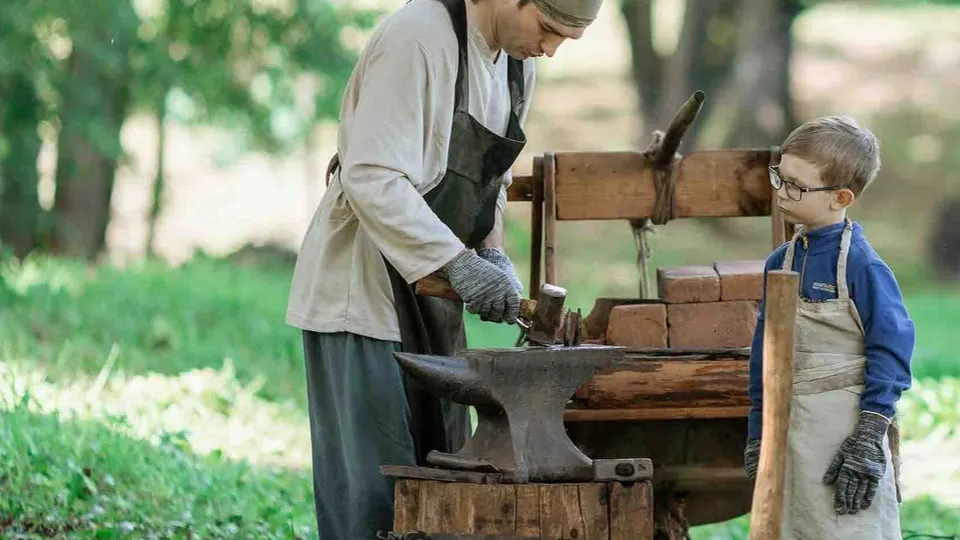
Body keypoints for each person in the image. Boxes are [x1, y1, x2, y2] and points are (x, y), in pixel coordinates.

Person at [284, 0, 603, 537]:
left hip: (436, 300)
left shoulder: (518, 65)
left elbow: (492, 182)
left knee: (441, 490)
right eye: (548, 28)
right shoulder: (419, 38)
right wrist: (458, 262)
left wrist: (492, 253)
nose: (550, 49)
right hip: (362, 297)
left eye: (564, 40)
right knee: (376, 500)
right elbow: (372, 176)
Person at [743, 115, 915, 539]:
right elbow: (764, 355)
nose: (780, 192)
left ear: (841, 197)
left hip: (844, 428)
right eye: (779, 178)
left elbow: (891, 350)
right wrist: (757, 431)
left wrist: (869, 434)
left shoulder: (862, 266)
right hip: (789, 427)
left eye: (796, 186)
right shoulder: (780, 261)